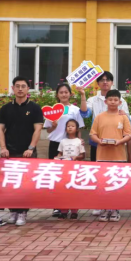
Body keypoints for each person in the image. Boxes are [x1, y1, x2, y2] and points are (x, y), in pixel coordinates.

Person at [0, 76, 44, 226]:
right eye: (17, 86)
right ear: (13, 88)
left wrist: (31, 148)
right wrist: (3, 147)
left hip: (27, 152)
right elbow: (0, 129)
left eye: (23, 86)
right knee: (11, 183)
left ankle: (23, 212)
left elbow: (38, 129)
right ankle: (13, 211)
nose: (20, 89)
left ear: (28, 89)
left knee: (25, 184)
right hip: (10, 152)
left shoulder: (34, 108)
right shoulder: (6, 108)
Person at [89, 90, 131, 222]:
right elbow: (92, 134)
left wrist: (120, 141)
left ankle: (114, 209)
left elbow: (128, 135)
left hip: (119, 156)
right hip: (102, 155)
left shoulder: (123, 117)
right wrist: (99, 141)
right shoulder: (99, 117)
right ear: (105, 101)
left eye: (115, 100)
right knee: (102, 184)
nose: (113, 102)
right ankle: (103, 208)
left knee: (116, 184)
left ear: (120, 102)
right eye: (110, 100)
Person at [44, 83, 87, 218]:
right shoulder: (52, 110)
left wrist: (79, 142)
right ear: (57, 95)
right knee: (56, 176)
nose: (63, 94)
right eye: (61, 92)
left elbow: (79, 128)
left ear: (70, 94)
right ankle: (57, 206)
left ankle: (72, 205)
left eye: (66, 92)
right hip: (56, 145)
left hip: (72, 146)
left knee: (71, 176)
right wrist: (53, 125)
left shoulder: (75, 110)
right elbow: (48, 130)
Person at [85, 71, 129, 163]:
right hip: (98, 143)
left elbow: (127, 127)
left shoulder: (122, 101)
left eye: (108, 80)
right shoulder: (92, 101)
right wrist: (82, 95)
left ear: (112, 83)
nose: (105, 82)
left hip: (118, 147)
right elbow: (85, 114)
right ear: (98, 83)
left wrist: (121, 141)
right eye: (102, 80)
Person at [54, 119, 86, 220]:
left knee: (74, 190)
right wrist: (57, 158)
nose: (70, 128)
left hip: (75, 170)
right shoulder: (63, 141)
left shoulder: (79, 141)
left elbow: (83, 155)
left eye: (72, 126)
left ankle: (74, 211)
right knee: (63, 190)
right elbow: (60, 153)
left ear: (77, 129)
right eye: (68, 126)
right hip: (64, 169)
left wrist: (76, 157)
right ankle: (63, 211)